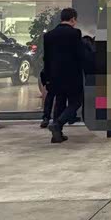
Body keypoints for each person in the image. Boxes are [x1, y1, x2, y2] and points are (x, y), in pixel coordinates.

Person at [44, 7, 88, 143]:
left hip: (55, 75)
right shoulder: (75, 33)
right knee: (76, 101)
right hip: (72, 74)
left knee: (60, 102)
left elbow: (47, 58)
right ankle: (58, 124)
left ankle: (57, 134)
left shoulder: (49, 35)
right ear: (73, 19)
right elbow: (80, 54)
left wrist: (47, 78)